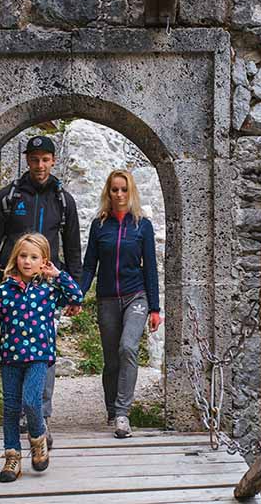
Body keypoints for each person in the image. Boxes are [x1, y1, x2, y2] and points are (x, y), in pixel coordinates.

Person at [0, 135, 82, 447]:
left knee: (43, 349)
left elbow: (74, 248)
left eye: (45, 159)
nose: (40, 165)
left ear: (53, 161)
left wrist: (73, 287)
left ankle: (40, 416)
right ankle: (24, 411)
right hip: (10, 285)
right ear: (28, 160)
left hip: (45, 287)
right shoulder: (8, 196)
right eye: (34, 159)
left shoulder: (63, 200)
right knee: (13, 348)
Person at [0, 233, 83, 482]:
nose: (27, 261)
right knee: (11, 409)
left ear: (43, 261)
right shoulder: (4, 291)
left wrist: (58, 275)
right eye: (23, 256)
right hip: (10, 358)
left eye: (33, 257)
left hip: (38, 357)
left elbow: (76, 297)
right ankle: (12, 457)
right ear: (16, 257)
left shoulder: (49, 290)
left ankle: (38, 438)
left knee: (32, 401)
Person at [80, 169, 162, 439]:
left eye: (124, 189)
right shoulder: (99, 226)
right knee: (111, 359)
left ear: (131, 192)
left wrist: (154, 308)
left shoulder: (142, 225)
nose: (119, 194)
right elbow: (90, 265)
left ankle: (123, 413)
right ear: (108, 192)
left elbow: (150, 267)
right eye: (114, 189)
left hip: (135, 296)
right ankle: (112, 409)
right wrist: (78, 295)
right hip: (106, 299)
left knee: (128, 347)